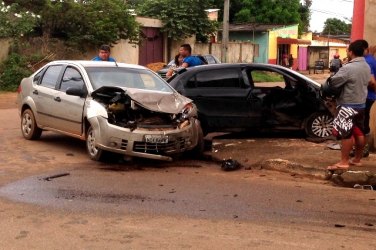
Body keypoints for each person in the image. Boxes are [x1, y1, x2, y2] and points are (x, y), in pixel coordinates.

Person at [327, 40, 371, 170]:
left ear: (351, 52)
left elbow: (334, 82)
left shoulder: (348, 68)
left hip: (347, 105)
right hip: (361, 104)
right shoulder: (366, 66)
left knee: (346, 134)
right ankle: (357, 159)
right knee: (359, 133)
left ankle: (344, 162)